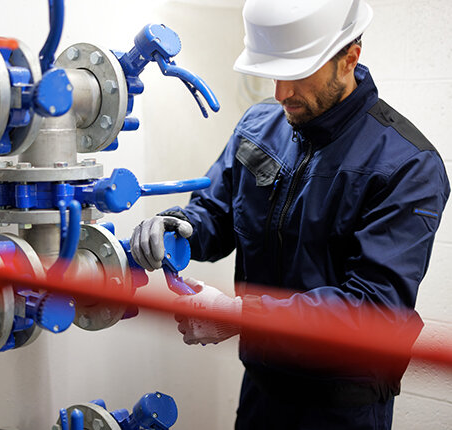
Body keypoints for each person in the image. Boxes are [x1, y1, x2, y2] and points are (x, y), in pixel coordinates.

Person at [129, 0, 450, 428]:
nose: (281, 93)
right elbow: (216, 215)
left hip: (342, 406)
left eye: (297, 74)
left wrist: (238, 315)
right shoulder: (261, 125)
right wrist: (174, 229)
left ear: (348, 59)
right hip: (262, 387)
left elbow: (374, 309)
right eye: (274, 73)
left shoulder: (408, 165)